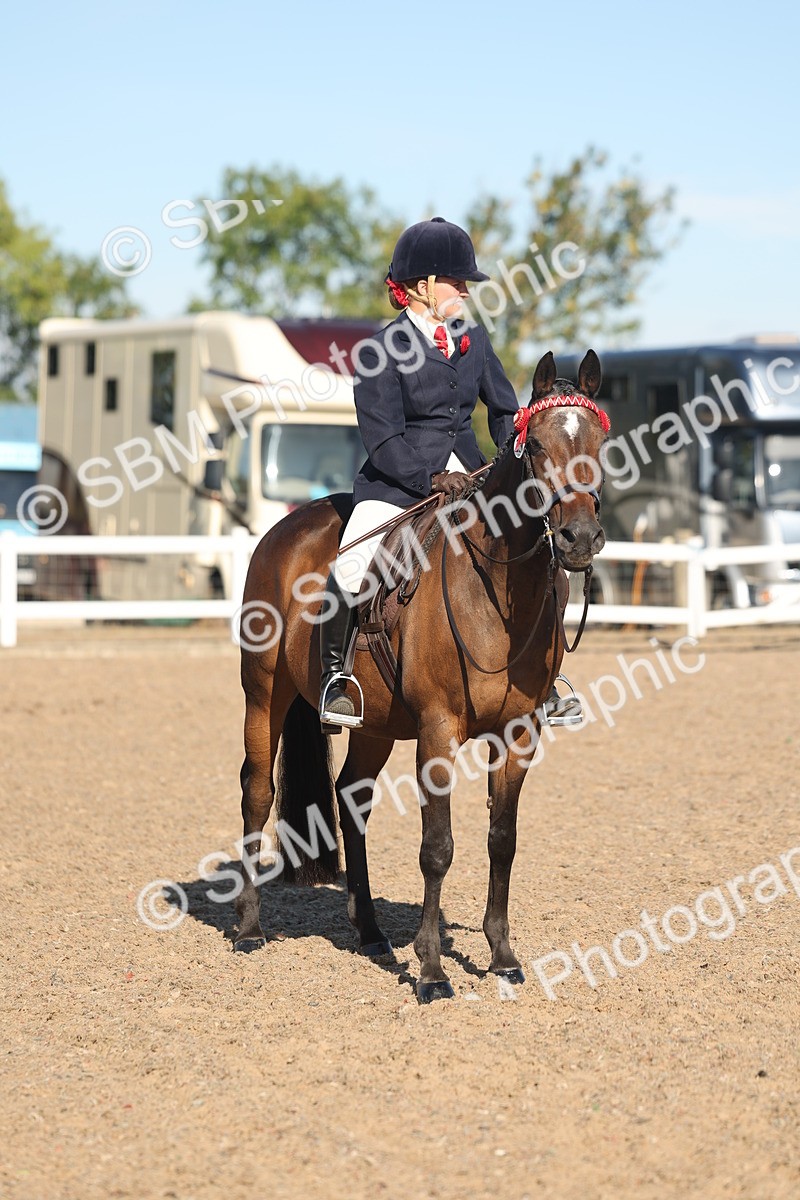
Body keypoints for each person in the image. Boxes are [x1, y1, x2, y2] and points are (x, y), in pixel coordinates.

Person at [318, 216, 581, 729]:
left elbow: (505, 410)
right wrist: (429, 479)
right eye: (456, 282)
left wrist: (511, 460)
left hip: (474, 475)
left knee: (542, 555)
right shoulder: (377, 352)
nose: (465, 291)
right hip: (396, 483)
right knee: (351, 565)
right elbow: (382, 437)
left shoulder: (473, 341)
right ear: (420, 287)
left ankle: (543, 683)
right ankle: (337, 678)